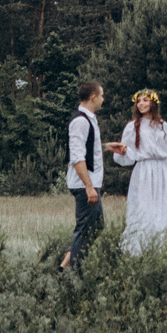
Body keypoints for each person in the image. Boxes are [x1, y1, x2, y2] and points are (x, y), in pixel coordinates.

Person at [110, 89, 167, 255]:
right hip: (144, 172)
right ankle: (133, 253)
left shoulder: (162, 126)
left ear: (153, 103)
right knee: (141, 212)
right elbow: (128, 155)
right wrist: (123, 151)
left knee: (158, 214)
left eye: (145, 100)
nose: (141, 104)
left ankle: (153, 252)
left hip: (161, 173)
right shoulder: (132, 127)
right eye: (139, 101)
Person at [58, 80, 105, 272]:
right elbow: (77, 157)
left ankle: (64, 267)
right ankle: (74, 275)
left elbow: (89, 149)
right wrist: (88, 186)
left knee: (96, 227)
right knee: (85, 230)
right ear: (93, 97)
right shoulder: (80, 121)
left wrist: (109, 147)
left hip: (90, 183)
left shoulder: (89, 119)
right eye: (102, 95)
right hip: (84, 185)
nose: (103, 99)